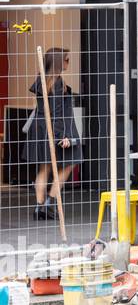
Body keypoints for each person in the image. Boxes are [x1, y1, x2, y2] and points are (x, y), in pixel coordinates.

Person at [25, 47, 82, 220]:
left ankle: (39, 208)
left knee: (45, 167)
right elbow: (56, 114)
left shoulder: (43, 80)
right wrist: (61, 137)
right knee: (71, 160)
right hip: (53, 129)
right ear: (58, 62)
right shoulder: (56, 83)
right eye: (66, 59)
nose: (68, 62)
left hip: (39, 128)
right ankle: (50, 202)